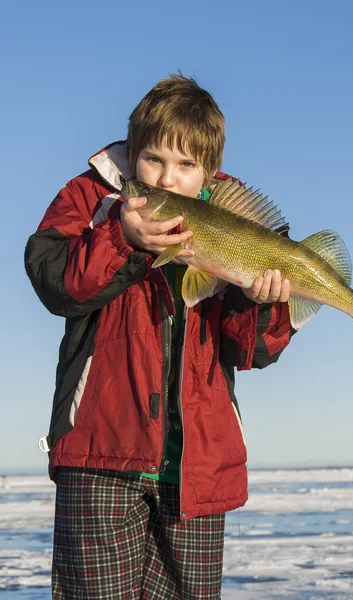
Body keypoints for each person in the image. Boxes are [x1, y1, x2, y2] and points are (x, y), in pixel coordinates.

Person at [25, 73, 295, 600]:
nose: (168, 179)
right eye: (154, 160)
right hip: (100, 453)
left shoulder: (235, 221)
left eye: (186, 165)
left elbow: (254, 350)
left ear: (209, 170)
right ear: (132, 152)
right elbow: (55, 283)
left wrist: (257, 299)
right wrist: (121, 239)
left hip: (197, 466)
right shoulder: (92, 199)